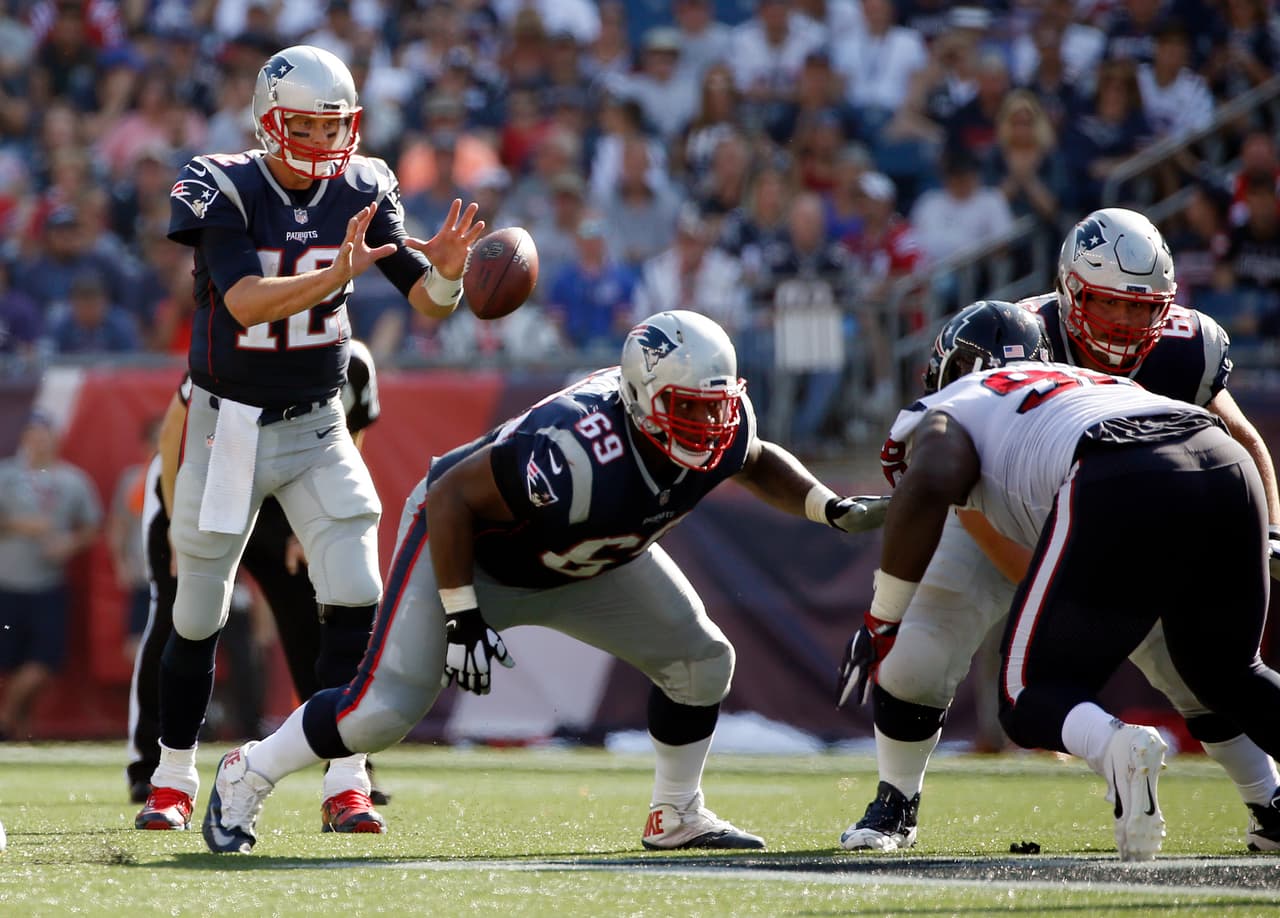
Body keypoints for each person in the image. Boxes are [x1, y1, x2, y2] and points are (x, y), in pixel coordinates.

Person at [200, 309, 890, 854]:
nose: (708, 426)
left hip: (590, 564)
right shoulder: (576, 451)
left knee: (701, 661)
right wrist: (463, 613)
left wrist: (825, 505)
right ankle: (250, 772)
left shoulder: (720, 423)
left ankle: (676, 813)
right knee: (378, 713)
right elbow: (451, 498)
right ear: (644, 397)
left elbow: (754, 457)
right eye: (688, 408)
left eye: (714, 407)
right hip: (475, 557)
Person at [839, 209, 1280, 854]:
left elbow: (1243, 435)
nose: (1127, 324)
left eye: (1143, 308)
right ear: (1069, 291)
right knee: (921, 646)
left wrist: (1265, 531)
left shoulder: (1185, 349)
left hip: (1115, 496)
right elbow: (957, 492)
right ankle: (895, 802)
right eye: (1108, 305)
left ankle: (1268, 798)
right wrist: (1045, 583)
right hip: (1004, 503)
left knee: (1192, 664)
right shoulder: (1013, 335)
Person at [135, 44, 484, 834]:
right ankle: (172, 776)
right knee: (199, 611)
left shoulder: (366, 185)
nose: (326, 144)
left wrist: (451, 276)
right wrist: (338, 272)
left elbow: (427, 305)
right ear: (266, 122)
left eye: (336, 127)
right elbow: (249, 303)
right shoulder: (221, 183)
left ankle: (347, 778)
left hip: (319, 424)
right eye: (305, 125)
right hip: (228, 428)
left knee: (357, 589)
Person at [127, 341, 384, 806]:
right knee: (181, 617)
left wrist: (308, 524)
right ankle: (153, 765)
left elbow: (352, 435)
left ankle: (345, 762)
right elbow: (175, 432)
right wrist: (170, 519)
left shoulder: (355, 362)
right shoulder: (237, 346)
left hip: (290, 493)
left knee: (317, 619)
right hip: (206, 478)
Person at [0, 412, 102, 740]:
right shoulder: (6, 476)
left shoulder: (73, 480)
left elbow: (91, 526)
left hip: (48, 586)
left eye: (43, 435)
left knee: (43, 662)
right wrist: (18, 525)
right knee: (12, 661)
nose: (38, 442)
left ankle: (6, 718)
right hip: (8, 584)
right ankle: (20, 732)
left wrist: (68, 544)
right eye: (32, 435)